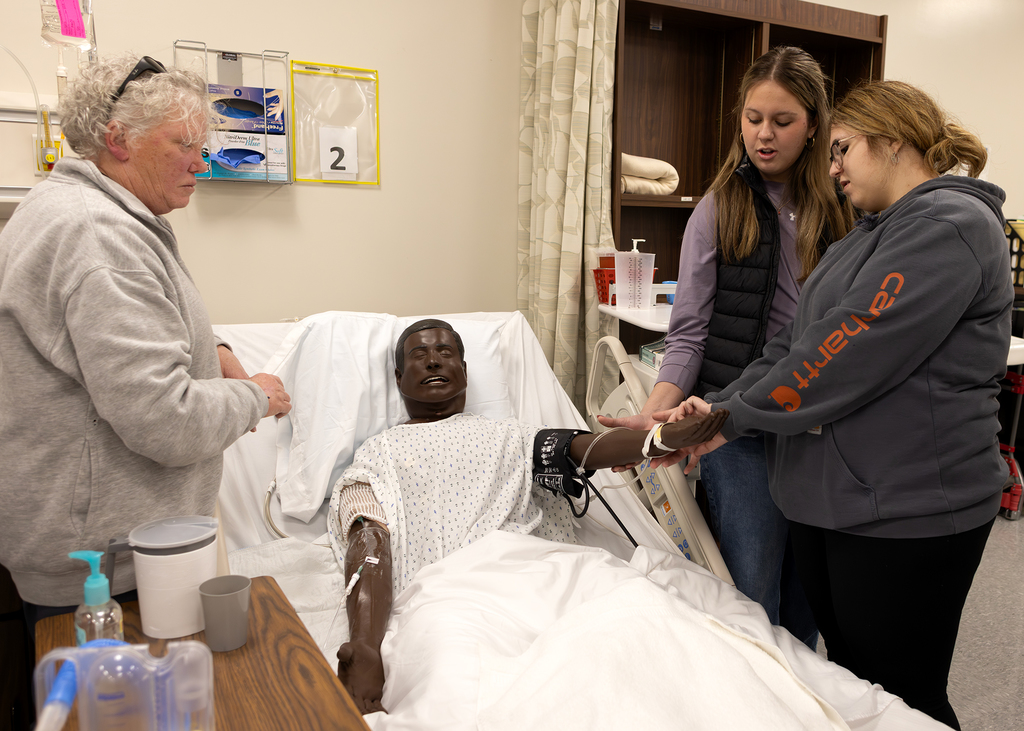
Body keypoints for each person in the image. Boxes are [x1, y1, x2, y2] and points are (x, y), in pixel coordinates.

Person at [656, 80, 1009, 729]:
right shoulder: (862, 240)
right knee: (852, 683)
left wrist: (735, 417)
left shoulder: (951, 228)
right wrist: (717, 410)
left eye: (843, 148)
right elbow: (794, 344)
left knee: (903, 697)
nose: (834, 165)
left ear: (893, 139)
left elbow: (837, 358)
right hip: (838, 503)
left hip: (911, 510)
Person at [0, 54, 292, 629]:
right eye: (184, 144)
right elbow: (166, 419)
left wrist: (215, 352)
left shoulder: (73, 209)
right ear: (118, 139)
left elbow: (132, 331)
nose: (201, 162)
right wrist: (258, 396)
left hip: (98, 545)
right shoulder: (99, 236)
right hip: (100, 570)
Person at [328, 319, 728, 713]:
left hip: (549, 576)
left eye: (445, 352)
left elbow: (582, 449)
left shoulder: (512, 435)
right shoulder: (379, 453)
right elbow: (367, 538)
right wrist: (366, 643)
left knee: (646, 633)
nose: (433, 361)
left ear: (465, 372)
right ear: (399, 378)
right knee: (467, 681)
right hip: (454, 594)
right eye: (420, 355)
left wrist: (658, 439)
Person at [600, 46, 853, 649]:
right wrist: (656, 410)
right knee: (752, 597)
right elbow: (688, 333)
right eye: (752, 118)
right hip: (734, 428)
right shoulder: (719, 209)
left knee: (809, 602)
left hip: (817, 427)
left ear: (814, 123)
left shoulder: (844, 209)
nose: (764, 135)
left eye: (783, 121)